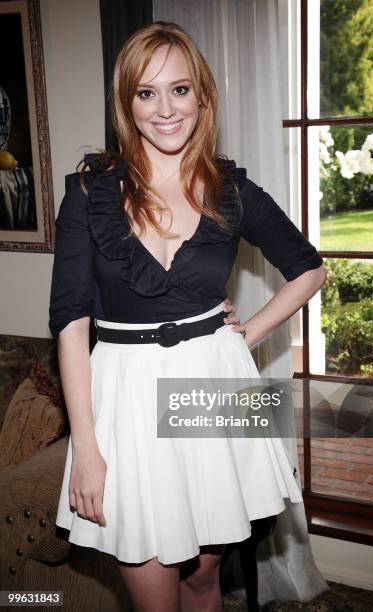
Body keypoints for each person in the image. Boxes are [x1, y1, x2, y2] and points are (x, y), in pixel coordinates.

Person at [49, 21, 327, 612]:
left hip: (215, 386)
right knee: (154, 594)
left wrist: (247, 332)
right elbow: (71, 324)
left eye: (179, 89)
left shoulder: (232, 189)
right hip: (124, 397)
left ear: (202, 95)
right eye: (146, 93)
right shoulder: (86, 193)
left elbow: (310, 269)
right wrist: (88, 446)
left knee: (204, 580)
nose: (165, 108)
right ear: (127, 103)